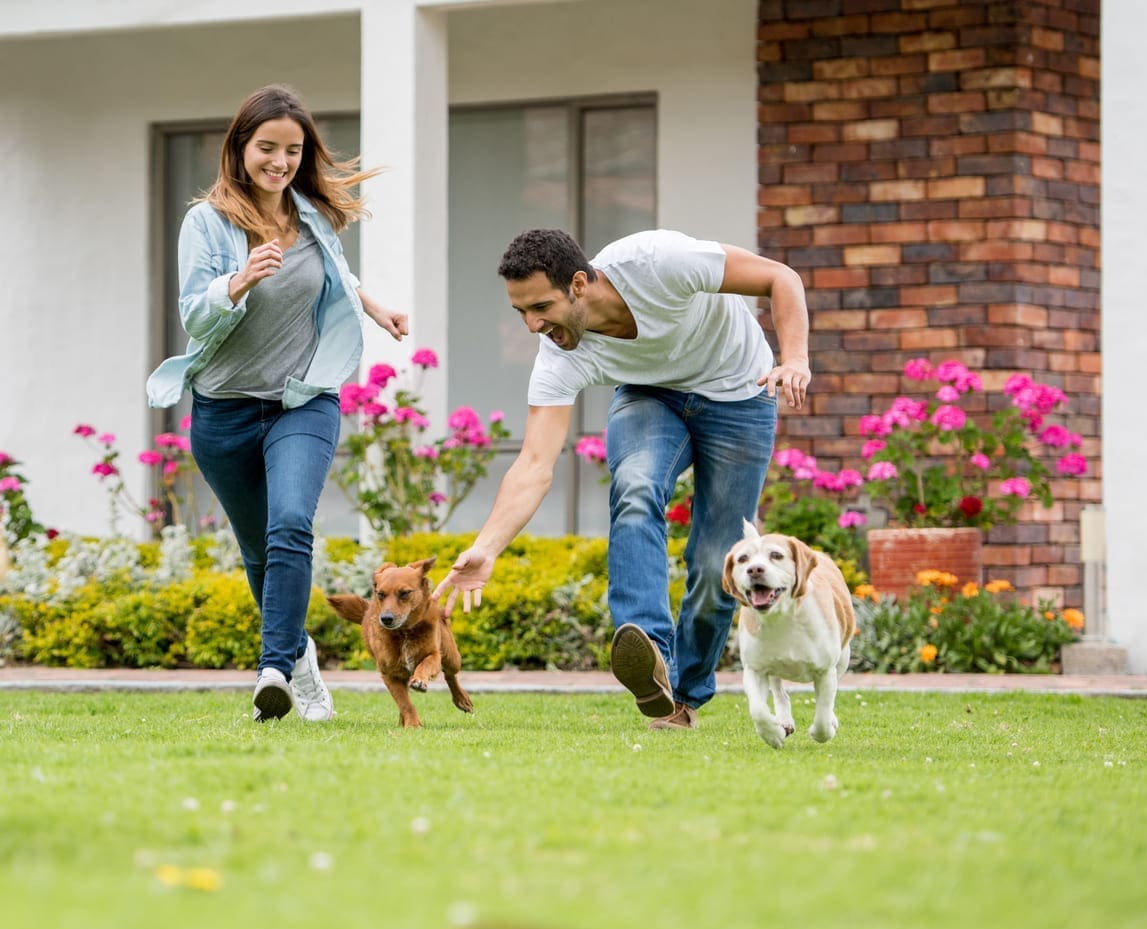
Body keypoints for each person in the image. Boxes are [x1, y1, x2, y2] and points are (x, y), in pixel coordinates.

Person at [433, 228, 810, 730]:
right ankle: (649, 651)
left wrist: (796, 359)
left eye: (541, 306)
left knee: (715, 555)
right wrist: (488, 546)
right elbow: (534, 464)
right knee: (634, 487)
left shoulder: (659, 262)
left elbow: (779, 277)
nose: (531, 324)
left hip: (742, 393)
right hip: (651, 396)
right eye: (520, 311)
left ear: (580, 284)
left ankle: (686, 695)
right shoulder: (558, 356)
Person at [147, 84, 408, 723]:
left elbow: (335, 273)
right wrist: (236, 283)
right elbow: (193, 317)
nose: (281, 162)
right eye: (268, 148)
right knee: (261, 551)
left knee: (291, 523)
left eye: (293, 150)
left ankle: (272, 672)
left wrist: (372, 305)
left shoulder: (309, 212)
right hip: (224, 412)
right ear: (240, 148)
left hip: (302, 401)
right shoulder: (206, 222)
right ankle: (298, 656)